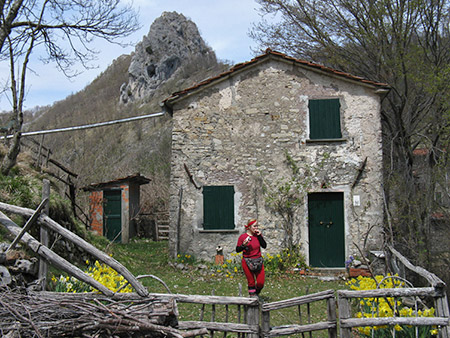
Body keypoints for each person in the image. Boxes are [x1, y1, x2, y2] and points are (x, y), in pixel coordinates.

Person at [236, 219, 267, 297]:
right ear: (249, 227)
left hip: (258, 260)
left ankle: (255, 293)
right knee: (251, 282)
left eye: (257, 226)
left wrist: (260, 236)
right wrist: (244, 245)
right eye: (254, 226)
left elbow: (264, 246)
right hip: (247, 261)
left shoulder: (257, 236)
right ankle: (252, 298)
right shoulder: (243, 237)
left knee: (260, 283)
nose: (256, 228)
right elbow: (237, 250)